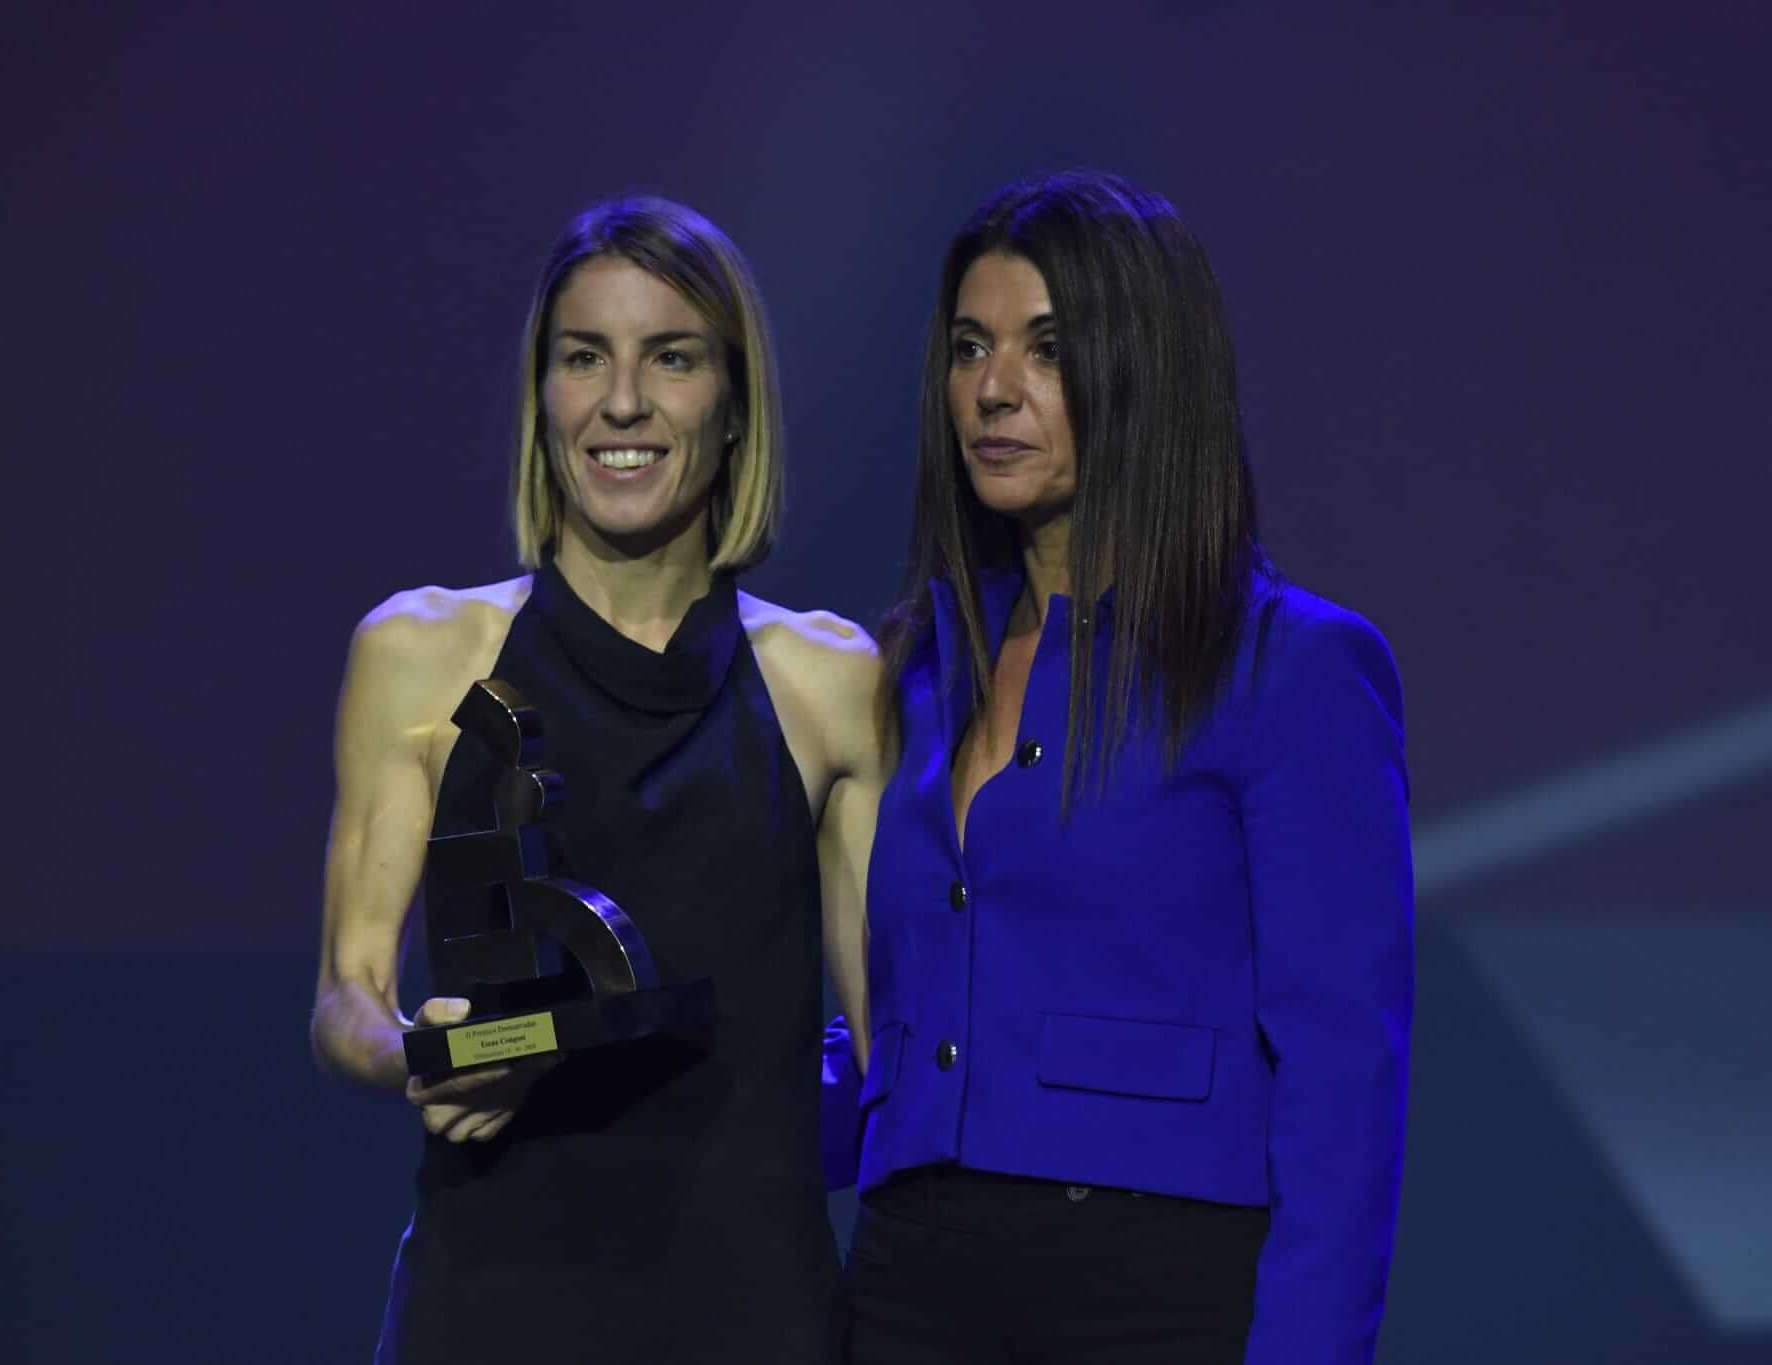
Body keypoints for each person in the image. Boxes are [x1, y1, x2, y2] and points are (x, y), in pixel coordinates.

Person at [841, 171, 1414, 1363]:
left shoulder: (1286, 666)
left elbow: (1342, 1073)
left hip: (1149, 1293)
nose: (992, 390)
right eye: (967, 346)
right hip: (906, 1282)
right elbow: (893, 1021)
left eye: (1047, 349)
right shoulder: (912, 673)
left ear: (1145, 373)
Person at [311, 196, 881, 1363]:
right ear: (544, 396)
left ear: (730, 402)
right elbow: (344, 995)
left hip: (753, 1310)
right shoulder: (420, 651)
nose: (622, 402)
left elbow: (884, 1045)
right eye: (585, 358)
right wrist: (427, 1055)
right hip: (496, 1303)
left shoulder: (828, 681)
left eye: (668, 358)